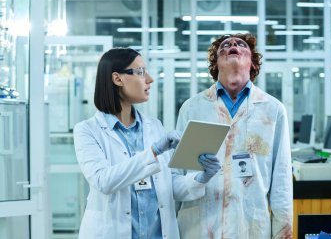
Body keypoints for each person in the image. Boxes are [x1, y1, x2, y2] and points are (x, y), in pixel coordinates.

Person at [73, 48, 218, 239]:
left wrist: (202, 177)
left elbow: (169, 184)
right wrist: (153, 151)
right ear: (117, 79)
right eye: (141, 72)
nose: (149, 79)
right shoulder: (87, 130)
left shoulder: (154, 126)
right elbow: (103, 181)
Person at [174, 34, 293, 238]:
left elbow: (281, 181)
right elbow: (176, 176)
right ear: (216, 64)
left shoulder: (273, 110)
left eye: (241, 44)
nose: (233, 45)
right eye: (225, 45)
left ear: (253, 63)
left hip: (249, 226)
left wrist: (283, 233)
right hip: (200, 226)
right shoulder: (192, 108)